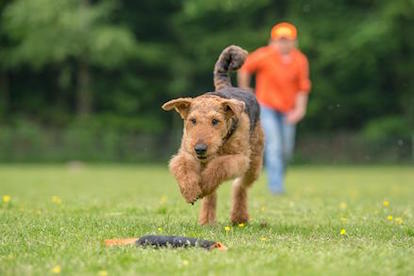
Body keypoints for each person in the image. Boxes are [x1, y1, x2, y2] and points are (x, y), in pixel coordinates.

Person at [238, 22, 311, 194]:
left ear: (295, 42)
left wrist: (300, 110)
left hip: (288, 110)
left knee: (286, 150)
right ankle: (276, 187)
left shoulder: (300, 60)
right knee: (274, 146)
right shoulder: (264, 55)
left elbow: (303, 87)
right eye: (280, 40)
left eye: (287, 40)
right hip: (266, 107)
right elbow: (245, 68)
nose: (284, 44)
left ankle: (278, 178)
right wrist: (245, 89)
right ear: (273, 41)